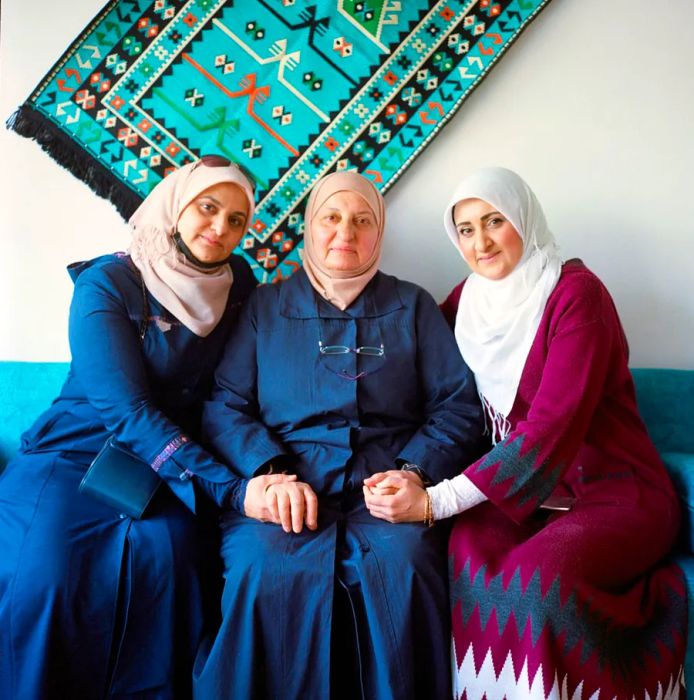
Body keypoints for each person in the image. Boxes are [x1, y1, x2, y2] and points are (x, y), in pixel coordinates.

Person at [363, 166, 687, 699]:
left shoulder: (577, 296)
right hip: (524, 498)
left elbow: (550, 430)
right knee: (467, 553)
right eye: (465, 229)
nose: (481, 241)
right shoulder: (468, 301)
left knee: (538, 578)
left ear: (523, 217)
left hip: (614, 490)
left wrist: (436, 502)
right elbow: (411, 357)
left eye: (494, 221)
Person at [0, 156, 294, 699]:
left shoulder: (241, 286)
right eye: (208, 208)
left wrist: (269, 468)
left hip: (171, 468)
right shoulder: (107, 281)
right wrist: (232, 490)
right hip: (77, 453)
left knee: (173, 567)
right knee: (43, 576)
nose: (220, 229)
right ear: (176, 206)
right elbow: (125, 410)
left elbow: (244, 389)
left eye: (237, 220)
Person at [193, 171, 485, 699]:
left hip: (386, 492)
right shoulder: (265, 307)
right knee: (263, 568)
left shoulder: (414, 306)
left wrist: (414, 472)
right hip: (288, 491)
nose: (344, 233)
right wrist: (270, 473)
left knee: (407, 565)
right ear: (309, 227)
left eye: (361, 220)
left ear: (379, 233)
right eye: (331, 217)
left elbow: (456, 406)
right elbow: (226, 405)